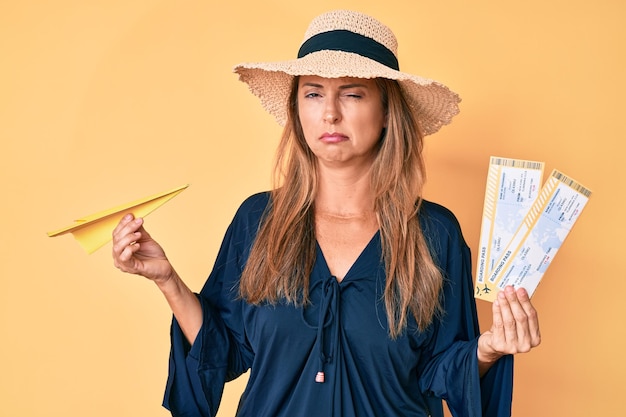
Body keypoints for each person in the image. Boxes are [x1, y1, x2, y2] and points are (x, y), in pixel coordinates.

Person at [112, 9, 540, 417]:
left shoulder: (434, 234)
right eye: (313, 93)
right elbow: (222, 349)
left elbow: (441, 370)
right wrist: (166, 279)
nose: (330, 112)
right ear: (298, 111)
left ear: (387, 110)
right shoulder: (258, 220)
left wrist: (489, 350)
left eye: (352, 94)